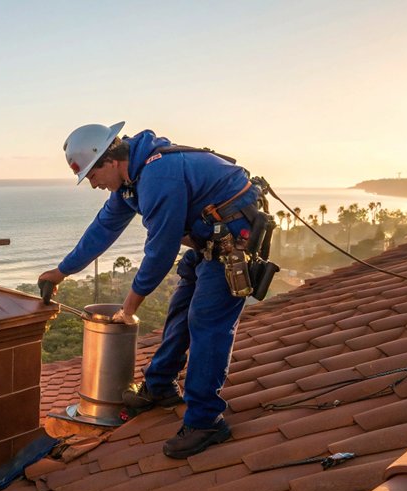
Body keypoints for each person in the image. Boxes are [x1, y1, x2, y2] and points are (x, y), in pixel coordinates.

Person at [38, 122, 260, 459]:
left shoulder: (159, 176)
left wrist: (129, 307)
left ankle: (205, 422)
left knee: (206, 320)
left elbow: (160, 252)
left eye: (93, 176)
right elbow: (102, 230)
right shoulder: (132, 183)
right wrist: (60, 272)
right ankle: (160, 385)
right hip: (208, 239)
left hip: (230, 239)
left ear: (109, 161)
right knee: (181, 308)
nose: (94, 185)